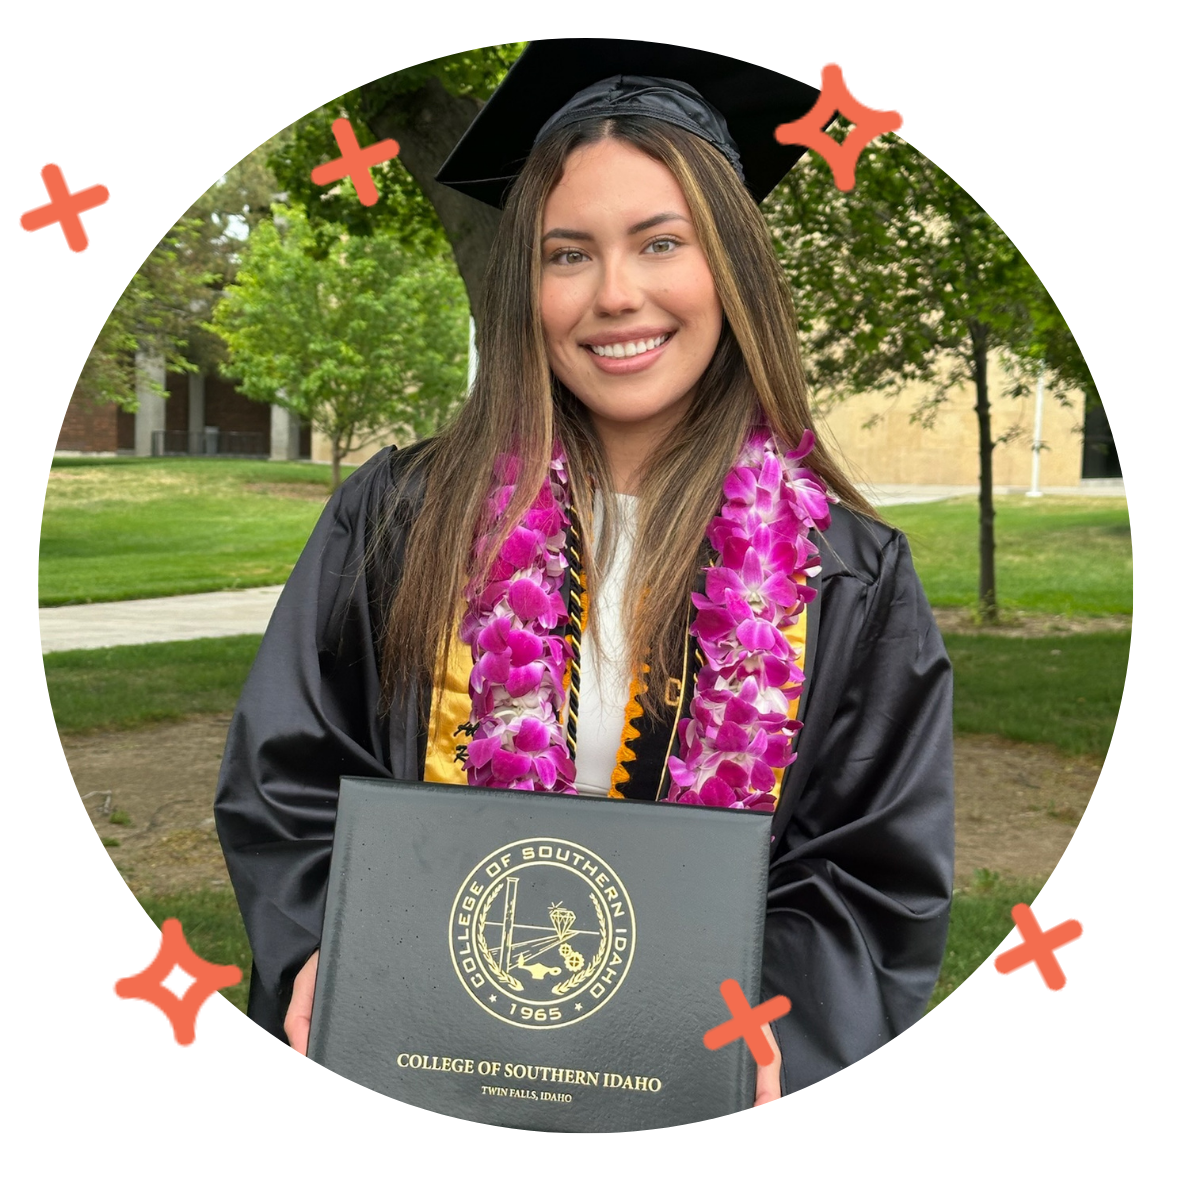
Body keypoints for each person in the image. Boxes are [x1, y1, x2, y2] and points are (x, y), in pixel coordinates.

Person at [214, 39, 955, 1124]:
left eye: (662, 243)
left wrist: (772, 1022)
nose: (616, 295)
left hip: (682, 1101)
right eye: (568, 254)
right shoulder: (402, 517)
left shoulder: (848, 575)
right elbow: (286, 784)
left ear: (733, 268)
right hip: (418, 1095)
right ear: (529, 281)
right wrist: (331, 949)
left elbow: (871, 876)